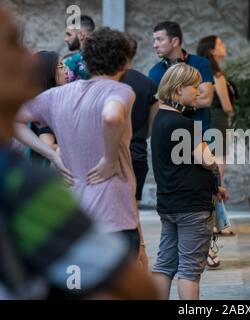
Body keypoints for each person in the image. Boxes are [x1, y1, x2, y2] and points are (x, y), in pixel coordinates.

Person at [0, 7, 157, 299]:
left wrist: (52, 155)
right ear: (124, 62)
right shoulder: (118, 91)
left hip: (78, 208)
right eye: (13, 44)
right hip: (113, 215)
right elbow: (111, 117)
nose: (26, 58)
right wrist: (110, 158)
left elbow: (19, 117)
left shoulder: (56, 95)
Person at [150, 63, 228, 300]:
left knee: (164, 265)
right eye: (194, 87)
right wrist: (215, 165)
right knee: (190, 271)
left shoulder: (160, 120)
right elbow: (206, 159)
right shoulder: (184, 124)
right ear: (179, 89)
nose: (199, 92)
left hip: (169, 204)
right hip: (192, 206)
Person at [197, 35, 237, 239]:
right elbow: (227, 106)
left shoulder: (202, 73)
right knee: (217, 174)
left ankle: (217, 222)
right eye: (220, 43)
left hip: (209, 125)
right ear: (212, 50)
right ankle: (215, 222)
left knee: (212, 175)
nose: (224, 46)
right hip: (219, 123)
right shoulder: (217, 75)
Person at [148, 21, 214, 133]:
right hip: (170, 135)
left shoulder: (200, 63)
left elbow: (206, 99)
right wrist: (188, 100)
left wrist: (169, 102)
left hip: (202, 132)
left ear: (175, 41)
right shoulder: (154, 71)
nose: (155, 45)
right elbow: (157, 106)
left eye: (159, 39)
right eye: (154, 40)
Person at [122, 33, 159, 201]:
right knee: (132, 211)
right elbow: (152, 126)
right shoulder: (149, 84)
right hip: (137, 153)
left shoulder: (105, 83)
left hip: (110, 156)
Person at [28, 51, 68, 165]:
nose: (66, 70)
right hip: (45, 172)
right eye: (60, 66)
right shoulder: (48, 103)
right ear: (47, 73)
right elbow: (48, 145)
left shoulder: (38, 99)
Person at [64, 14, 95, 81]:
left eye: (69, 34)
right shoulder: (104, 58)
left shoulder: (72, 61)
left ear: (81, 35)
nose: (65, 39)